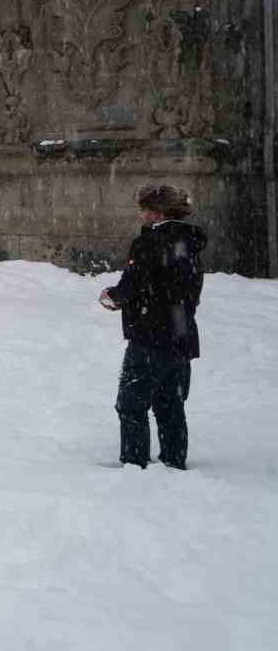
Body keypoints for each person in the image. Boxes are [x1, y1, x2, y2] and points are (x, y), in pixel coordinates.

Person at [99, 184, 204, 470]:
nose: (141, 215)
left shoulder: (149, 243)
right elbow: (181, 289)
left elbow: (133, 285)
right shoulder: (189, 243)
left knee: (132, 404)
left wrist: (112, 296)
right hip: (182, 336)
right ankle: (173, 461)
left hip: (150, 336)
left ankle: (135, 465)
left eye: (143, 209)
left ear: (156, 213)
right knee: (171, 405)